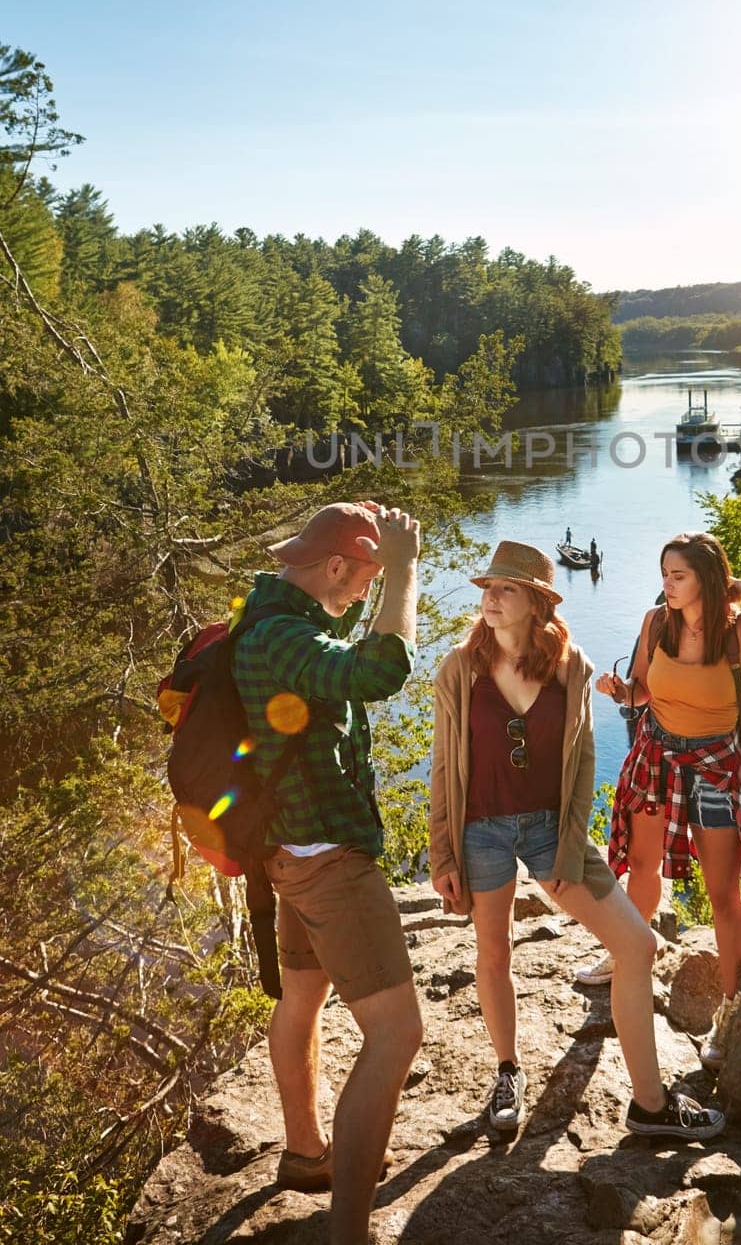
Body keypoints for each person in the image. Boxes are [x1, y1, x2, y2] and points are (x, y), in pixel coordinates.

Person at [430, 540, 726, 1141]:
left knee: (638, 947)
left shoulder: (570, 665)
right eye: (486, 587)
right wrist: (443, 854)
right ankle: (507, 1073)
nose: (489, 598)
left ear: (536, 601)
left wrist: (567, 848)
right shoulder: (459, 667)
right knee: (494, 954)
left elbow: (583, 764)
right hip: (479, 828)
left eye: (505, 588)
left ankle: (649, 1106)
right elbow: (442, 766)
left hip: (548, 829)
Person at [233, 501, 422, 1245]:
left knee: (304, 994)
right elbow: (378, 670)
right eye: (358, 580)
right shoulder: (281, 634)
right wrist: (403, 569)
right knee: (396, 1034)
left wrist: (381, 582)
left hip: (290, 851)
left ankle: (306, 1154)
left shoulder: (270, 616)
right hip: (325, 860)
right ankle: (350, 1231)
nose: (355, 599)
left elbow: (343, 642)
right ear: (337, 566)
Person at [583, 532, 741, 1072]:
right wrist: (618, 692)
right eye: (665, 575)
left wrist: (730, 584)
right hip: (657, 753)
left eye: (680, 576)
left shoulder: (736, 633)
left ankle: (730, 1006)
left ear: (707, 580)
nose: (667, 586)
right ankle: (623, 953)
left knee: (724, 893)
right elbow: (643, 692)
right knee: (644, 867)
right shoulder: (656, 623)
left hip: (714, 767)